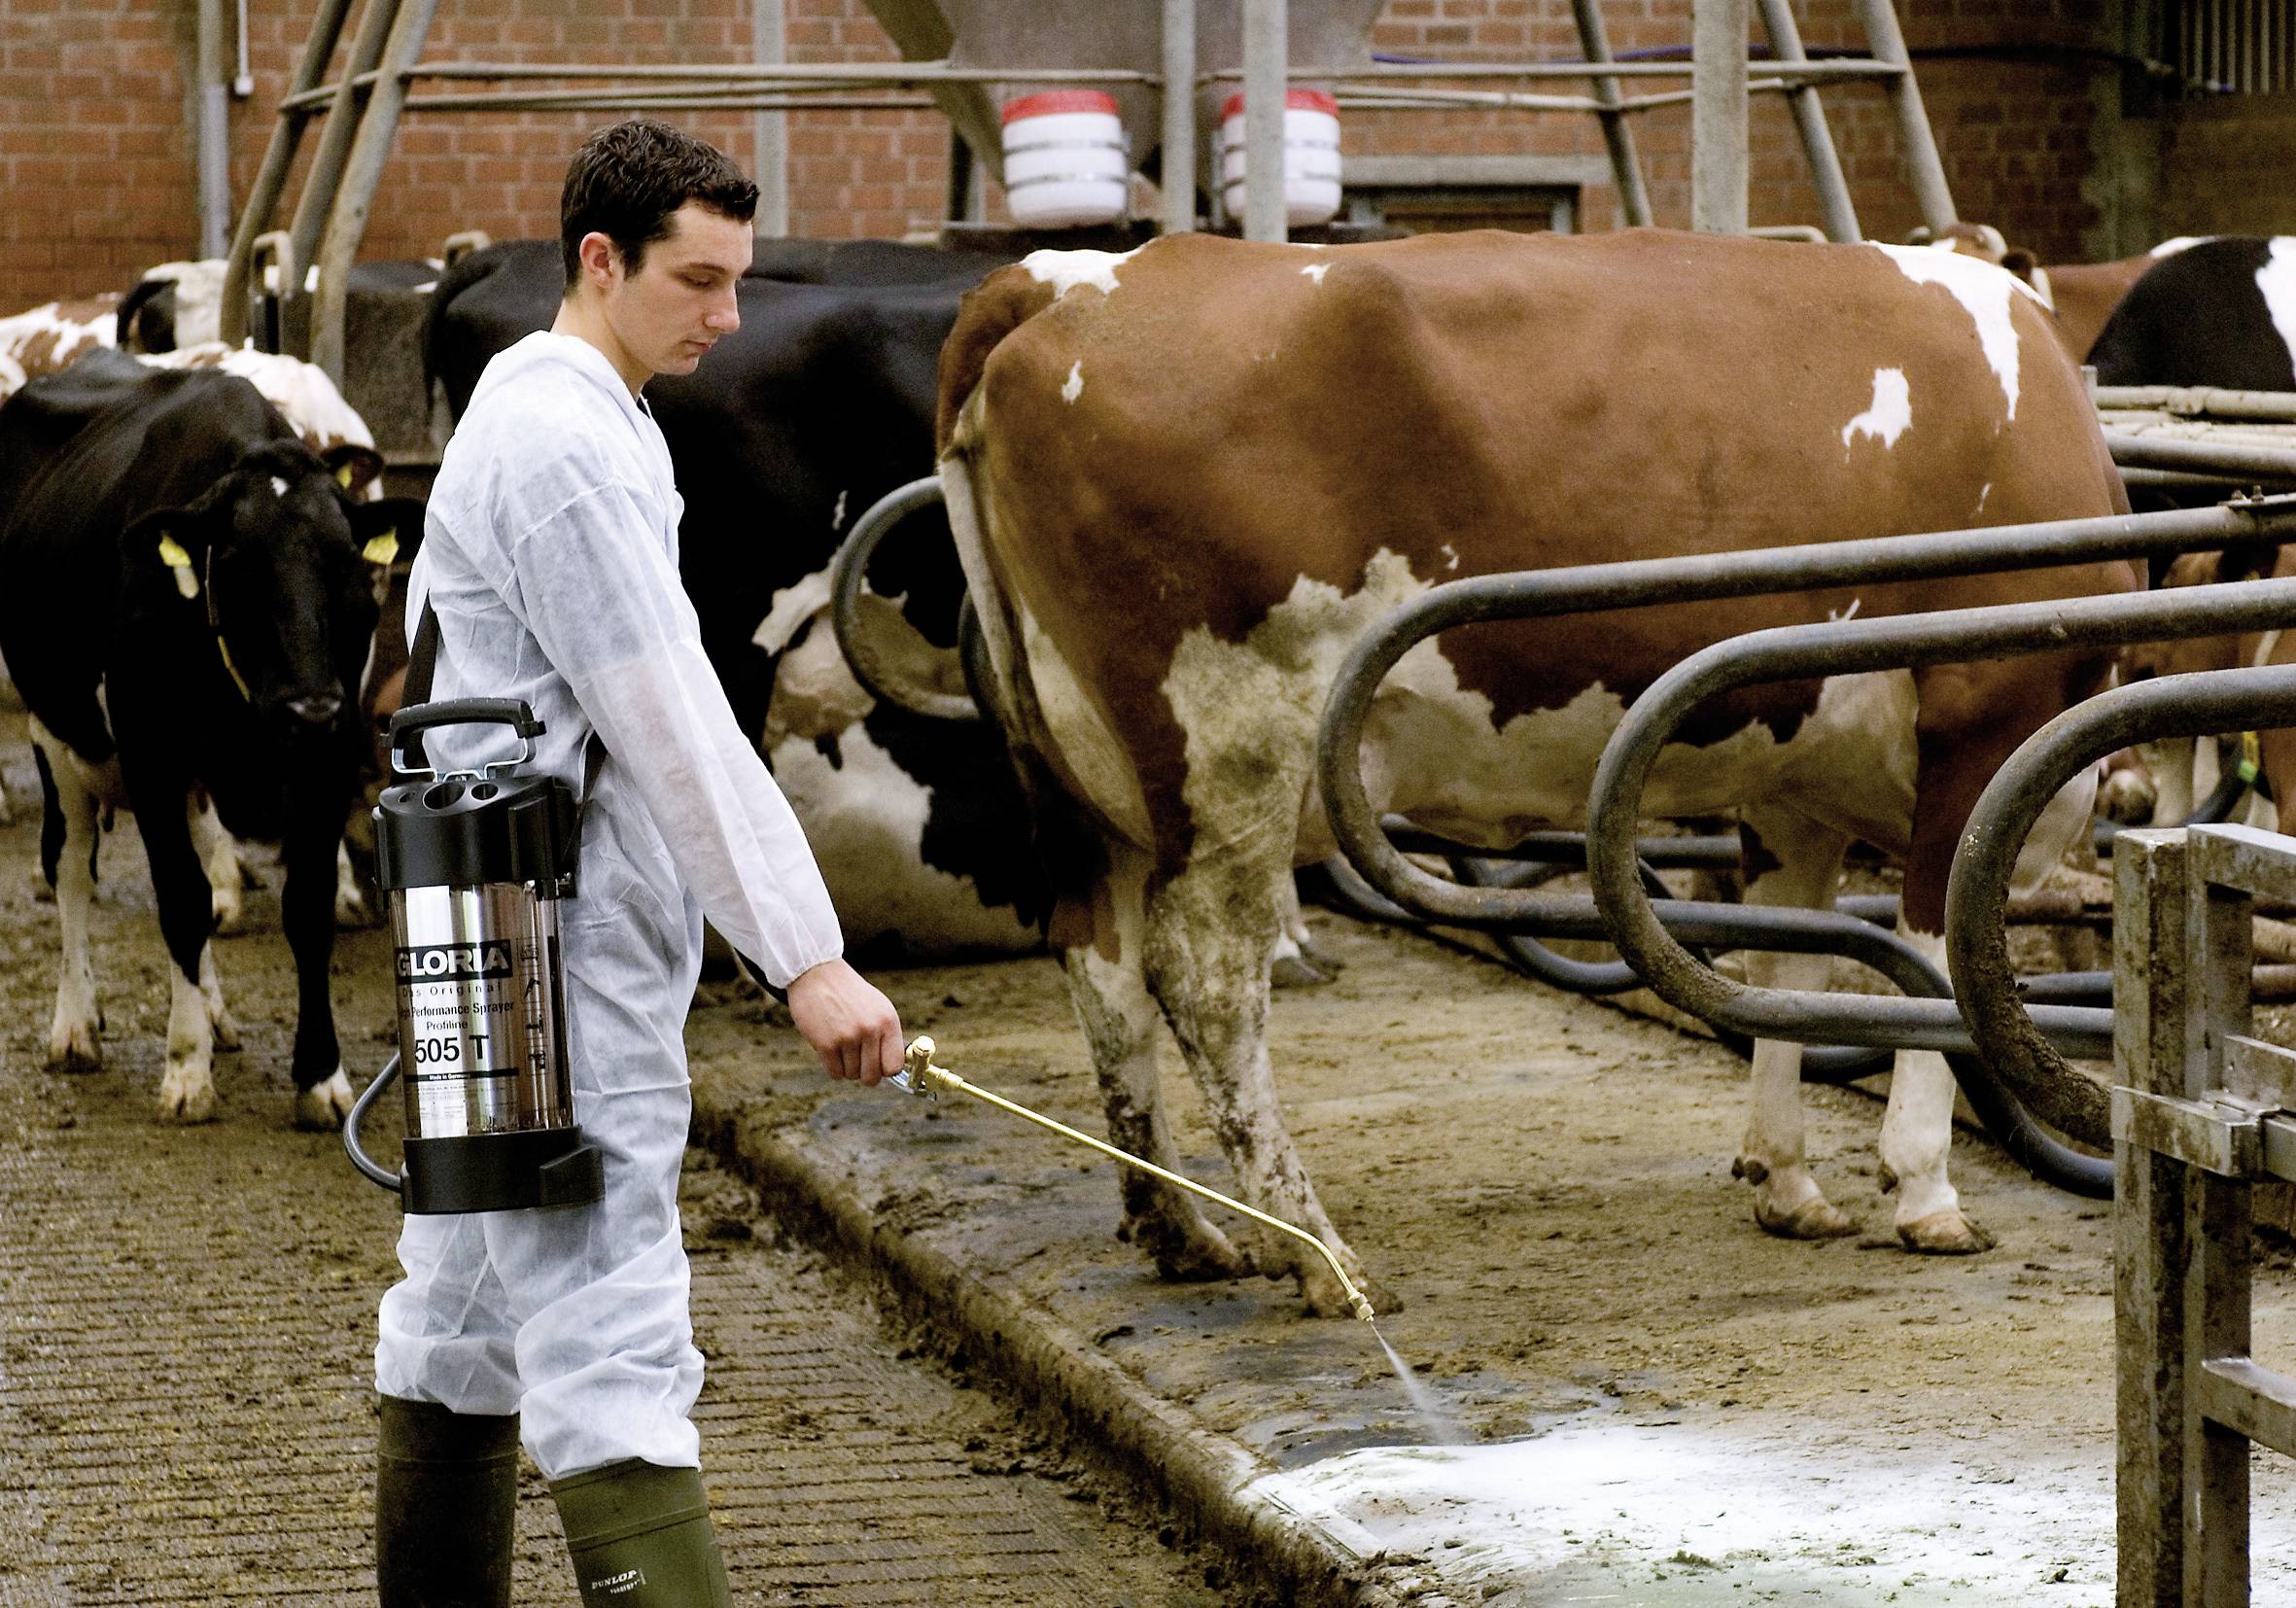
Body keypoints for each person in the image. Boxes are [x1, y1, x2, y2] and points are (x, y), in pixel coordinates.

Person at [370, 118, 906, 1607]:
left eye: (737, 281)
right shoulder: (563, 445)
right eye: (697, 280)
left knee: (467, 1306)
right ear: (599, 261)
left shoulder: (562, 414)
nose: (726, 317)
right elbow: (666, 715)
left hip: (495, 924)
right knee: (610, 1319)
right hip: (556, 935)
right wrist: (803, 954)